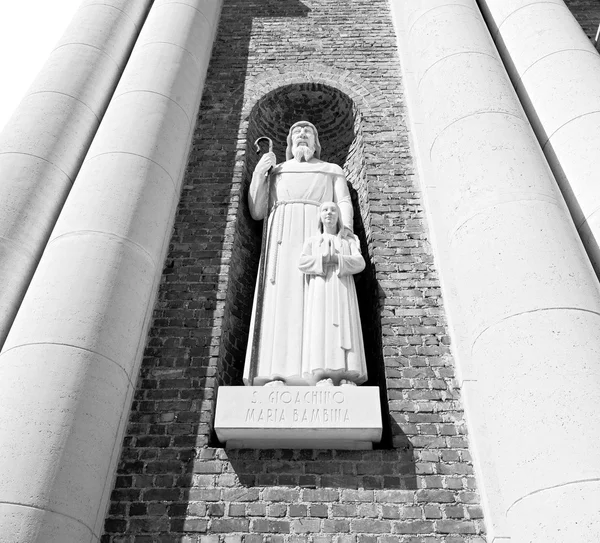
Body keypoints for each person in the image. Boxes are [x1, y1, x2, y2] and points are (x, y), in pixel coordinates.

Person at [243, 121, 354, 386]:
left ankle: (325, 372)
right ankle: (275, 373)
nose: (302, 135)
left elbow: (343, 201)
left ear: (316, 143)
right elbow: (258, 211)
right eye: (296, 132)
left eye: (308, 133)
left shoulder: (330, 170)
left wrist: (346, 229)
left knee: (322, 301)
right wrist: (259, 175)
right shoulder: (277, 171)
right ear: (290, 143)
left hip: (318, 236)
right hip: (281, 239)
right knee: (281, 301)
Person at [298, 202, 368, 386]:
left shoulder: (348, 241)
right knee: (322, 324)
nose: (329, 213)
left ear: (339, 216)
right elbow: (302, 262)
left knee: (346, 324)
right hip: (321, 287)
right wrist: (322, 260)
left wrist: (338, 259)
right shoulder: (313, 242)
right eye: (325, 210)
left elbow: (360, 263)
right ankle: (322, 373)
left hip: (342, 287)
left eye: (333, 209)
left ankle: (347, 373)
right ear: (320, 216)